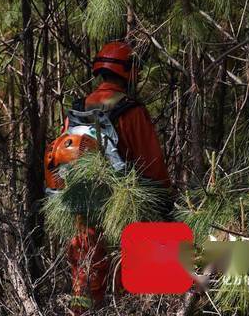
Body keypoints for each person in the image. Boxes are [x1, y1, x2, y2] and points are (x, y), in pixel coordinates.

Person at [66, 40, 171, 315]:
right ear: (130, 72)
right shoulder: (131, 111)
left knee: (85, 284)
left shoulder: (77, 111)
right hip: (124, 211)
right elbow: (153, 167)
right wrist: (165, 207)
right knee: (127, 292)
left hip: (84, 213)